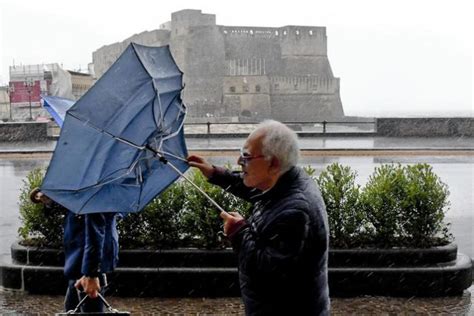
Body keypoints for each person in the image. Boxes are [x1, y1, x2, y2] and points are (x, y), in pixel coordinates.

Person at [188, 120, 330, 315]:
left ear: (273, 164)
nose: (239, 161)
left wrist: (238, 232)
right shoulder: (285, 180)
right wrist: (214, 173)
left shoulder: (296, 211)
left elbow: (265, 271)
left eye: (246, 157)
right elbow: (252, 186)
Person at [29, 187, 119, 312]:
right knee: (72, 308)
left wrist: (91, 273)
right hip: (80, 257)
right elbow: (73, 207)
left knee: (89, 310)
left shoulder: (98, 184)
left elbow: (97, 228)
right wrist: (49, 200)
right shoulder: (86, 180)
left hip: (89, 258)